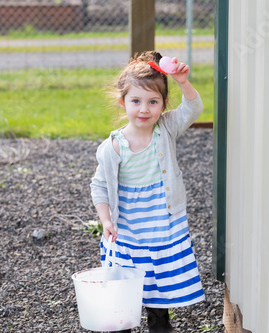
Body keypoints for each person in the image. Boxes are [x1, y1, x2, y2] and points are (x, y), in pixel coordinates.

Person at [90, 51, 205, 333]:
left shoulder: (165, 129)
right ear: (123, 102)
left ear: (164, 104)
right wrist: (106, 221)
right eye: (136, 101)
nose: (144, 109)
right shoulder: (113, 147)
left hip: (162, 221)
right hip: (128, 226)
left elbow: (193, 109)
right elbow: (100, 186)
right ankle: (123, 323)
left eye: (153, 102)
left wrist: (182, 82)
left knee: (158, 276)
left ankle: (159, 322)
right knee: (126, 281)